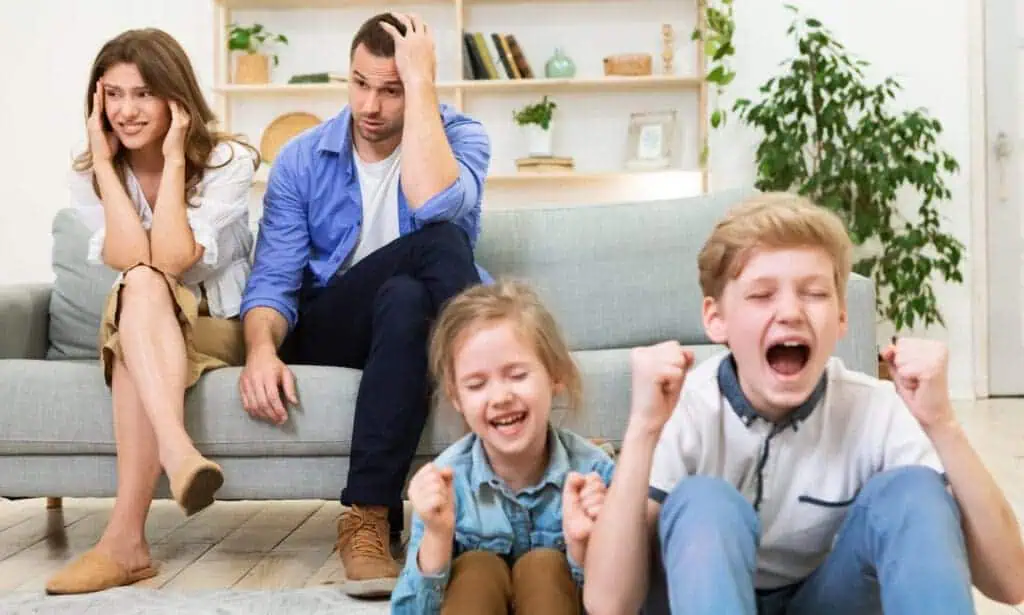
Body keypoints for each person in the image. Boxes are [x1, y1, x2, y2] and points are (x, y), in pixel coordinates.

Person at [583, 193, 1024, 615]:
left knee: (913, 491)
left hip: (827, 599)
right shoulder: (684, 408)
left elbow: (1010, 583)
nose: (791, 311)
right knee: (702, 501)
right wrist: (642, 429)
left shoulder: (877, 408)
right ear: (716, 319)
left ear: (842, 317)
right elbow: (608, 605)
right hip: (703, 595)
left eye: (814, 293)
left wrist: (942, 422)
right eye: (761, 295)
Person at [237, 12, 491, 597]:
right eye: (359, 84)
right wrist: (258, 351)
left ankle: (367, 518)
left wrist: (422, 87)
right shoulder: (302, 158)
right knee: (437, 246)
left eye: (392, 89)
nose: (371, 105)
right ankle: (485, 371)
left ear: (421, 85)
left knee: (407, 291)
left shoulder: (464, 137)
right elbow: (274, 279)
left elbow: (437, 203)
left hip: (416, 326)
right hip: (334, 323)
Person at [45, 29, 260, 595]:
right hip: (143, 322)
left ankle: (126, 542)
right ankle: (177, 453)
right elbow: (130, 259)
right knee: (138, 287)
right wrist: (102, 162)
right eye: (111, 95)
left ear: (176, 98)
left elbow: (170, 257)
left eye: (142, 94)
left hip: (217, 325)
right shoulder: (88, 171)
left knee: (140, 300)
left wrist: (170, 159)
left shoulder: (226, 160)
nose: (125, 111)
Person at [390, 280, 614, 614]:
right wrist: (437, 536)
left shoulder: (594, 475)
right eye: (477, 384)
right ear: (457, 398)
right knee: (477, 569)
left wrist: (582, 549)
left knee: (545, 568)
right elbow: (408, 611)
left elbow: (623, 603)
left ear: (554, 376)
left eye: (517, 375)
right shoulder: (447, 482)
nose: (501, 397)